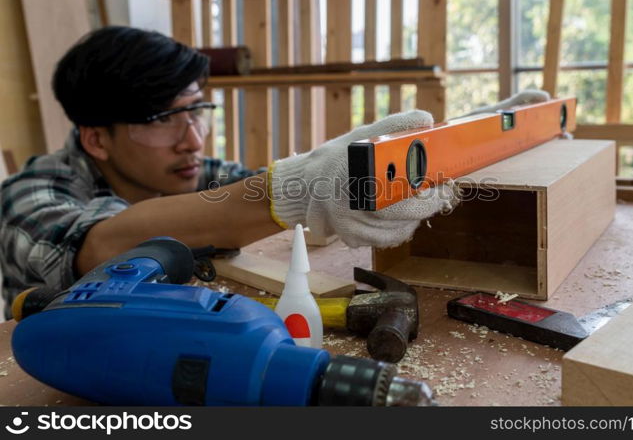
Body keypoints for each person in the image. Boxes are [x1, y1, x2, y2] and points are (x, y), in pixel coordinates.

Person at [0, 26, 547, 318]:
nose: (192, 137)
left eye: (197, 111)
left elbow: (239, 206)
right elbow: (99, 245)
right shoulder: (29, 197)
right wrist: (291, 190)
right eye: (164, 120)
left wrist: (463, 140)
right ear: (96, 138)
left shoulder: (190, 173)